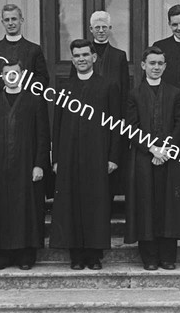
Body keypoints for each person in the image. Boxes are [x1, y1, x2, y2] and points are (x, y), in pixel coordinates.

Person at [50, 39, 121, 270]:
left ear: (93, 57)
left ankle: (94, 254)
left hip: (97, 154)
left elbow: (116, 124)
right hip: (69, 155)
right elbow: (58, 125)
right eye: (76, 56)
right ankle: (76, 255)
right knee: (71, 203)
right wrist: (57, 159)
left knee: (95, 203)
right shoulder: (64, 88)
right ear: (72, 59)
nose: (81, 59)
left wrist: (112, 156)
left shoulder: (107, 86)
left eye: (85, 55)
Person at [124, 46, 180, 270]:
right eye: (151, 63)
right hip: (144, 158)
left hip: (170, 158)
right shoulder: (134, 94)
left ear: (165, 66)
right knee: (146, 205)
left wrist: (166, 149)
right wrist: (152, 149)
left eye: (160, 63)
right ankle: (149, 257)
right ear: (143, 66)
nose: (156, 67)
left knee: (169, 205)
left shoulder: (175, 93)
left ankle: (168, 256)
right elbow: (131, 127)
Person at [0, 61, 50, 270]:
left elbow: (43, 136)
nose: (11, 76)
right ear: (2, 76)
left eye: (15, 73)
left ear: (22, 76)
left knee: (25, 210)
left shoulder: (34, 101)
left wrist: (39, 164)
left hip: (26, 164)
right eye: (7, 73)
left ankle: (25, 256)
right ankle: (0, 257)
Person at [69, 11, 129, 198]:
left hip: (110, 116)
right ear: (91, 29)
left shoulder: (119, 56)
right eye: (97, 27)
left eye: (104, 27)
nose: (101, 31)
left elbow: (125, 90)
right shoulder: (82, 54)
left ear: (110, 29)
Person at [0, 4, 50, 110]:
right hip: (0, 105)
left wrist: (20, 89)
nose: (10, 23)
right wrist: (5, 89)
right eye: (7, 20)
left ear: (21, 20)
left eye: (14, 19)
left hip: (26, 105)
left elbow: (43, 78)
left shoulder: (34, 49)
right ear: (2, 22)